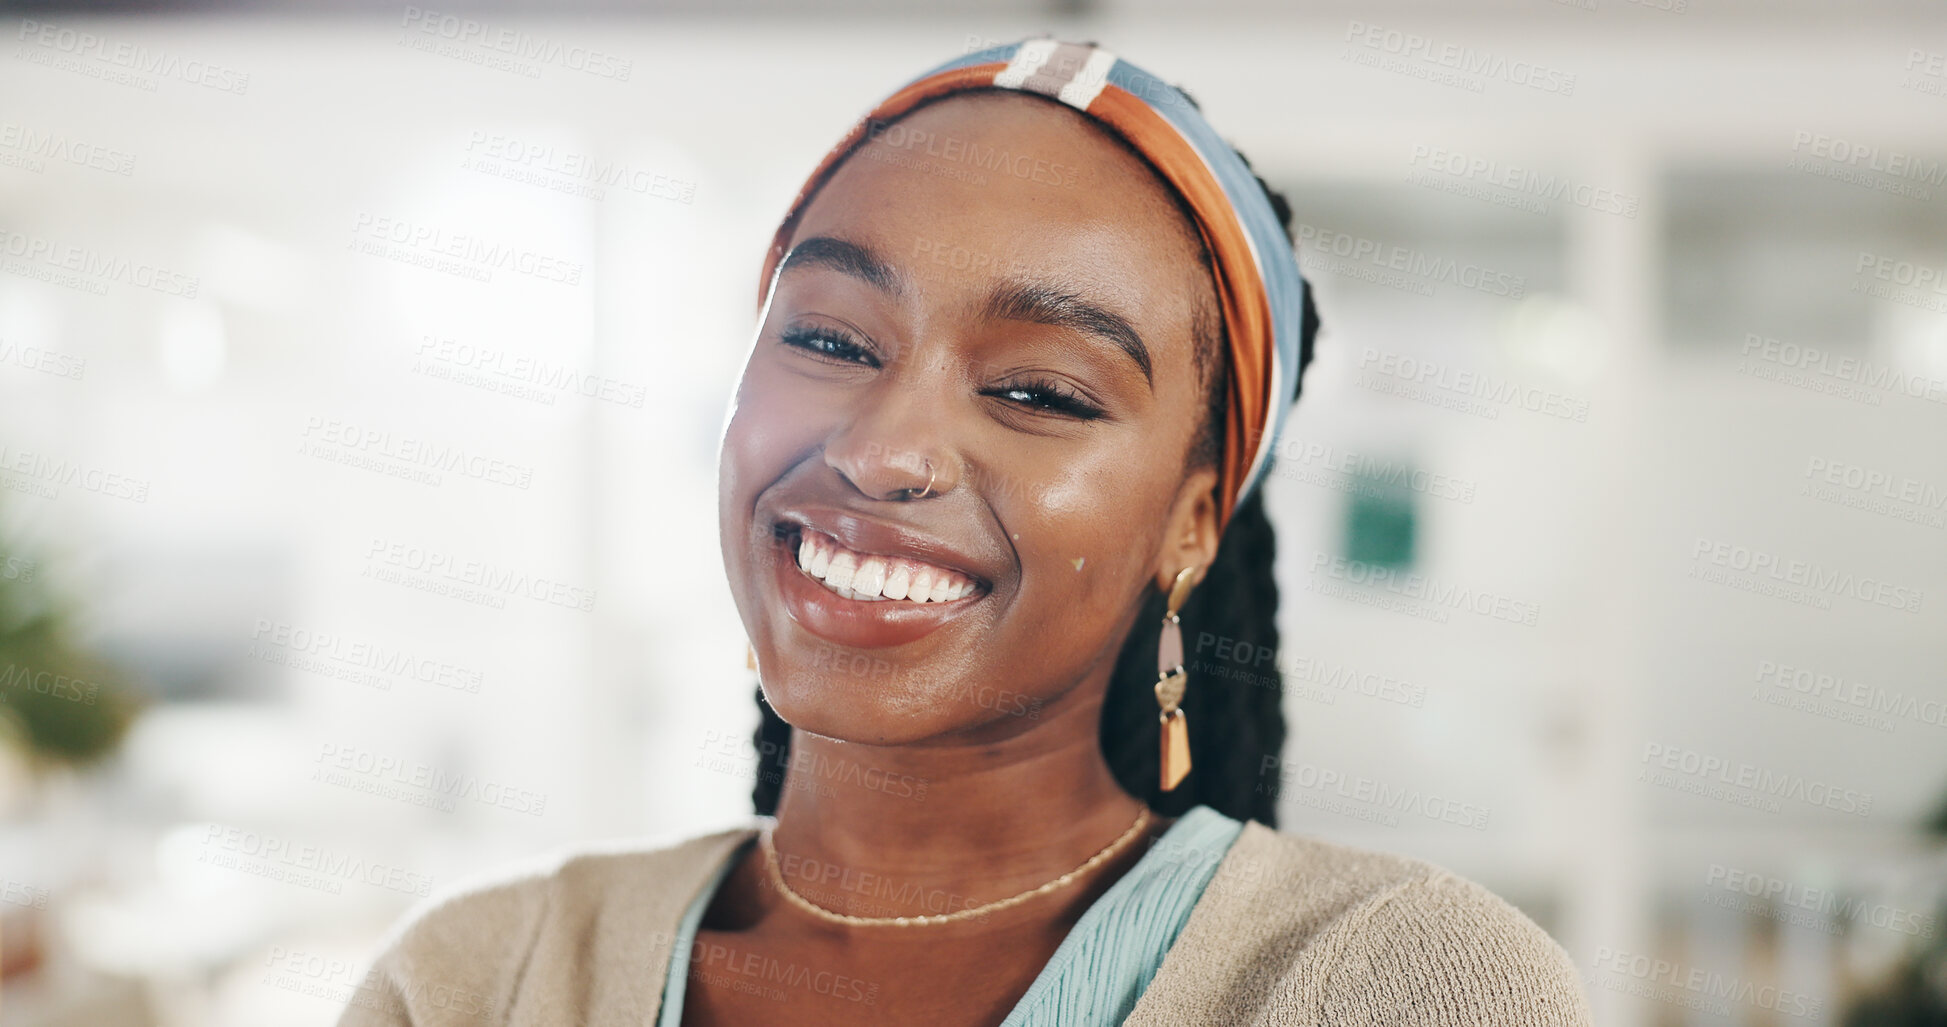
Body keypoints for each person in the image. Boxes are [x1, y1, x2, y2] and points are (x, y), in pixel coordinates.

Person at [338, 38, 1594, 1027]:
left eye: (1040, 391)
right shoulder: (476, 982)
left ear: (1194, 519)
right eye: (829, 339)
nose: (882, 449)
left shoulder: (1396, 985)